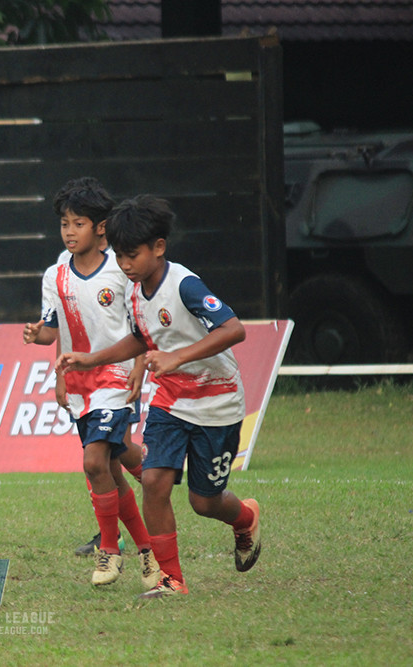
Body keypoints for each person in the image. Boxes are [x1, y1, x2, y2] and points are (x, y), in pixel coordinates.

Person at [57, 195, 261, 599]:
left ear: (159, 247)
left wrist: (177, 356)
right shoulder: (134, 291)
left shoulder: (184, 284)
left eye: (132, 255)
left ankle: (246, 518)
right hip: (171, 401)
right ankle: (172, 578)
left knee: (204, 502)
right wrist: (91, 359)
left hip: (217, 403)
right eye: (118, 255)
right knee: (152, 480)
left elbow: (234, 329)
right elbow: (139, 338)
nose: (124, 264)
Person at [22, 178, 159, 589]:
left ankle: (110, 550)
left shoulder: (121, 271)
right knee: (114, 469)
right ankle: (148, 550)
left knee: (94, 462)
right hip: (80, 382)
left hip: (115, 378)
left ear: (100, 228)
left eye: (77, 223)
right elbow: (53, 330)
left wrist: (138, 368)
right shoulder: (55, 275)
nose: (68, 231)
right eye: (64, 223)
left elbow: (139, 326)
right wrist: (40, 340)